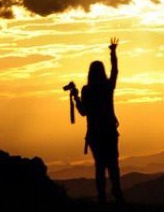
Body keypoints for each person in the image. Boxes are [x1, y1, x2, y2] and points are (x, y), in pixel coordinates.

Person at [73, 38, 124, 204]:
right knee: (113, 165)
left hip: (94, 135)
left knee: (100, 166)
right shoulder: (107, 87)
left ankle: (102, 197)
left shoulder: (87, 90)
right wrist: (113, 53)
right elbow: (115, 71)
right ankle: (117, 195)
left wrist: (76, 98)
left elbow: (83, 112)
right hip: (109, 132)